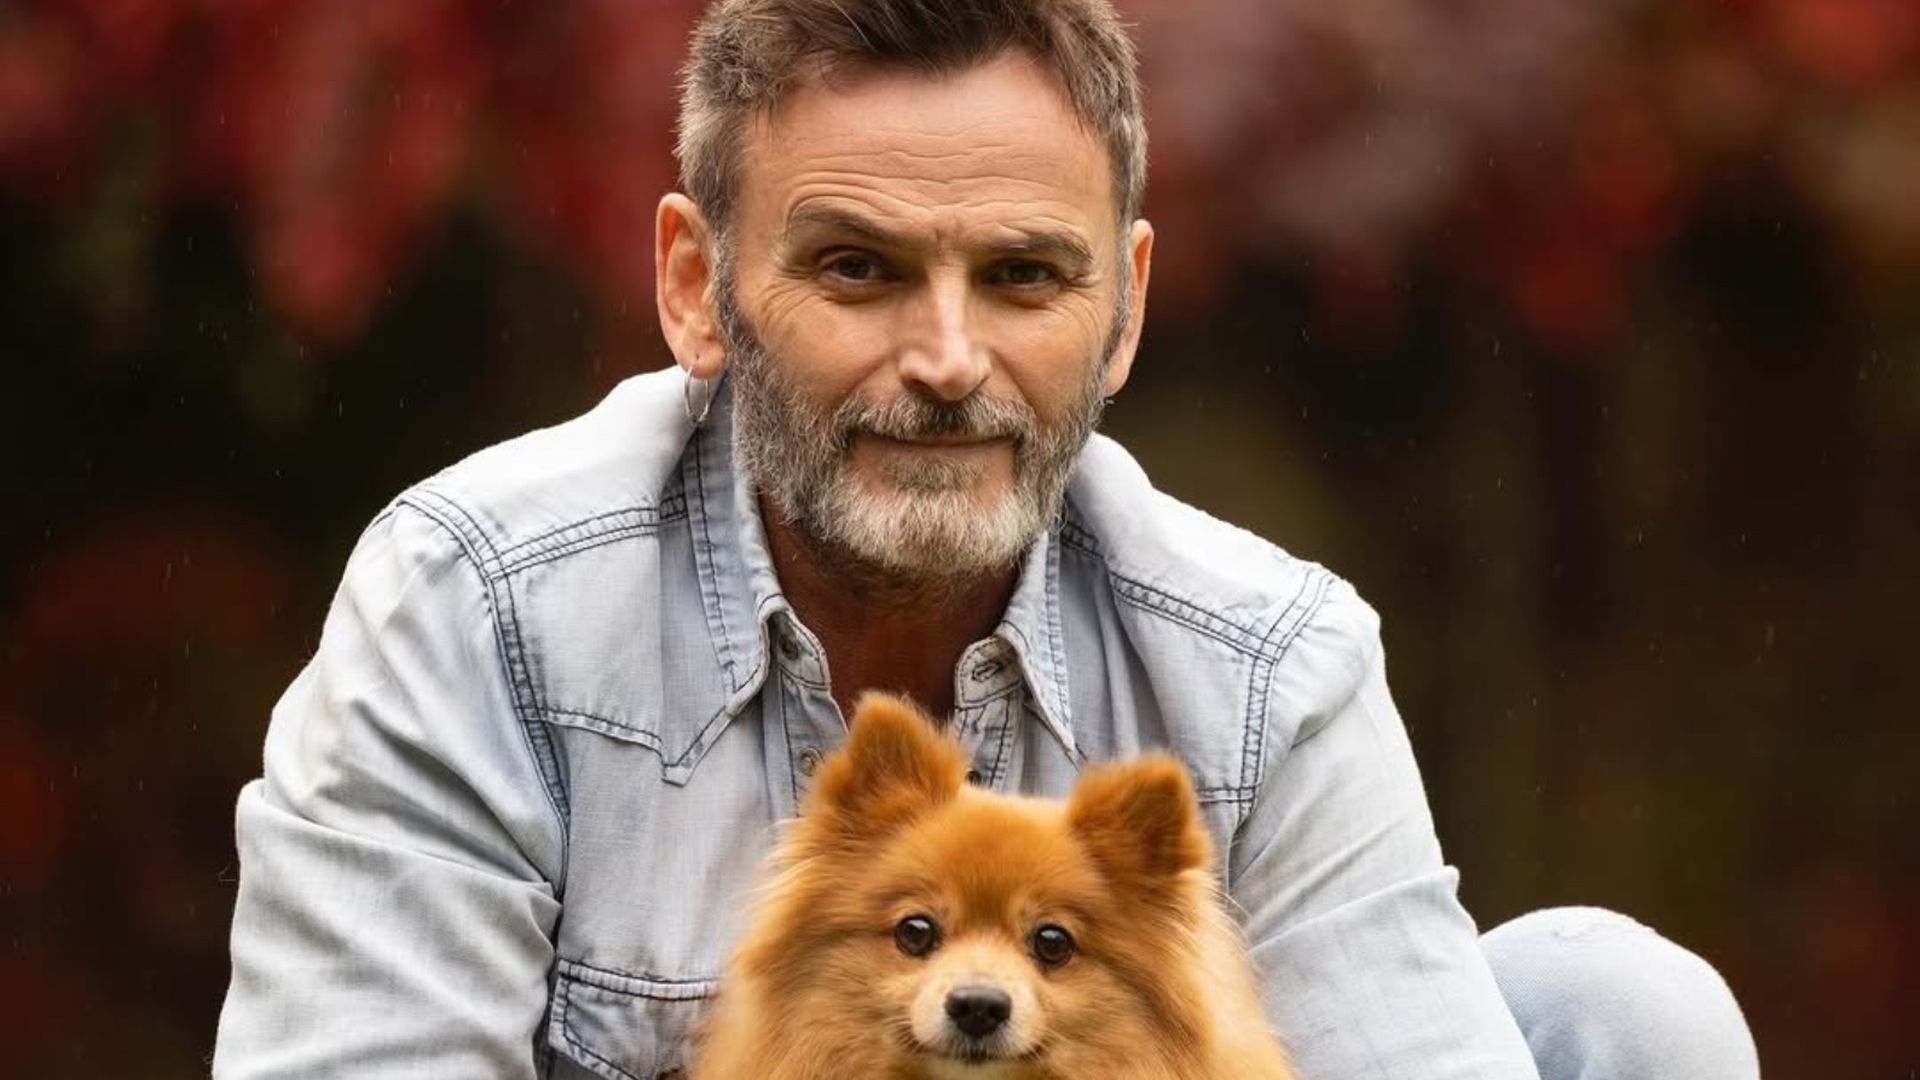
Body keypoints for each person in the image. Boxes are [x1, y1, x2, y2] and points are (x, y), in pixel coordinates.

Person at [212, 1, 1760, 1077]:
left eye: (1023, 278)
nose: (949, 360)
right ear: (697, 287)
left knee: (1619, 1011)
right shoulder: (480, 605)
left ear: (1126, 309)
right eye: (859, 269)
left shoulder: (1269, 667)